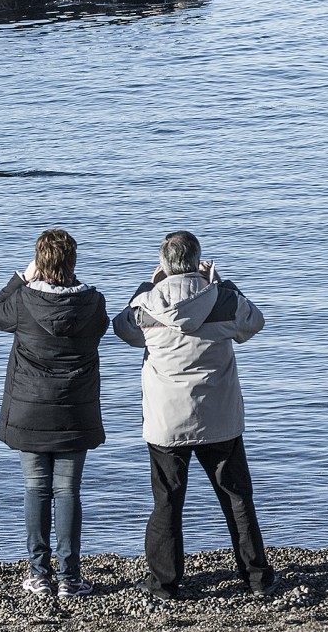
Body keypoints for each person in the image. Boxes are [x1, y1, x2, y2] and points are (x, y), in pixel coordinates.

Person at [112, 230, 279, 599]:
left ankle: (165, 583)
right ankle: (256, 578)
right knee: (236, 497)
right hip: (218, 418)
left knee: (167, 502)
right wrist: (221, 282)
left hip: (166, 422)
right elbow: (255, 322)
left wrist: (147, 284)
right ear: (199, 262)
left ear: (163, 265)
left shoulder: (146, 304)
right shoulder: (222, 299)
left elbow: (122, 328)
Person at [0, 229, 109, 597]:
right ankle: (70, 576)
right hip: (75, 409)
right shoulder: (93, 302)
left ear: (40, 263)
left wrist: (21, 277)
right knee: (68, 490)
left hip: (30, 409)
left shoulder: (23, 301)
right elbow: (101, 330)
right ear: (73, 261)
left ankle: (39, 574)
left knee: (36, 489)